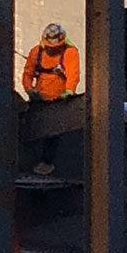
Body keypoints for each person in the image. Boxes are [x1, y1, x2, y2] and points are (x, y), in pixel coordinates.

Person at [21, 23, 79, 175]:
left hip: (60, 100)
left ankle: (47, 162)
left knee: (53, 133)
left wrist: (69, 91)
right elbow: (27, 73)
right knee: (32, 125)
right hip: (40, 98)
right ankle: (29, 159)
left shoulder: (70, 53)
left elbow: (73, 74)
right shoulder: (36, 52)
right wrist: (29, 89)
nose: (52, 49)